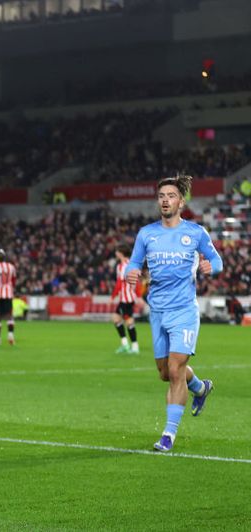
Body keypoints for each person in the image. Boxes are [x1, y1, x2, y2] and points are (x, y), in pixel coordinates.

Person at [126, 175, 222, 453]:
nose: (165, 200)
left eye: (170, 196)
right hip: (157, 310)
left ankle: (168, 435)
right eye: (161, 196)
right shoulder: (147, 234)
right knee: (164, 373)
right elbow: (132, 263)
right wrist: (130, 272)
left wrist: (211, 268)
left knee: (175, 368)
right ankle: (201, 388)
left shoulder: (195, 233)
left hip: (184, 311)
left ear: (181, 201)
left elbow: (216, 260)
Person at [109, 244, 139, 354]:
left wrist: (113, 296)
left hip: (127, 299)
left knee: (129, 322)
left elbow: (119, 283)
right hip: (124, 299)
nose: (115, 253)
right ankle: (126, 345)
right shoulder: (125, 264)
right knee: (116, 319)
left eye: (117, 251)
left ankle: (134, 347)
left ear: (121, 253)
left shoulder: (124, 266)